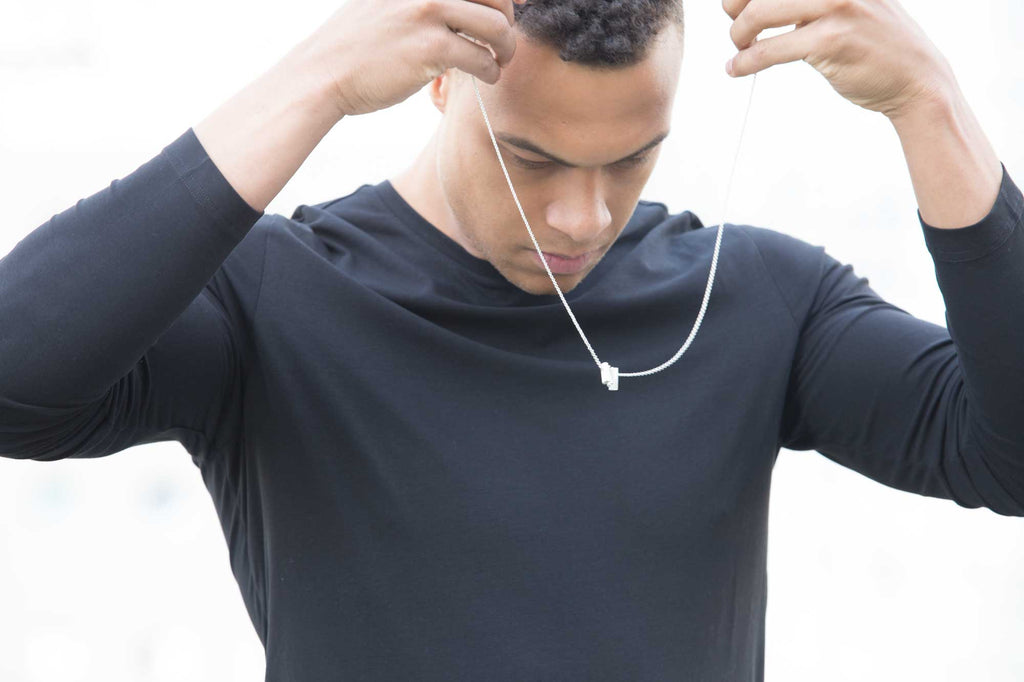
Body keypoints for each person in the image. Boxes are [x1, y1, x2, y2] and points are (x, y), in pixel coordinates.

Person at [0, 0, 1019, 679]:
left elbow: (1006, 454)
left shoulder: (753, 298)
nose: (581, 216)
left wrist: (927, 99)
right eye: (531, 159)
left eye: (632, 159)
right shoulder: (272, 295)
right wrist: (315, 80)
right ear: (440, 81)